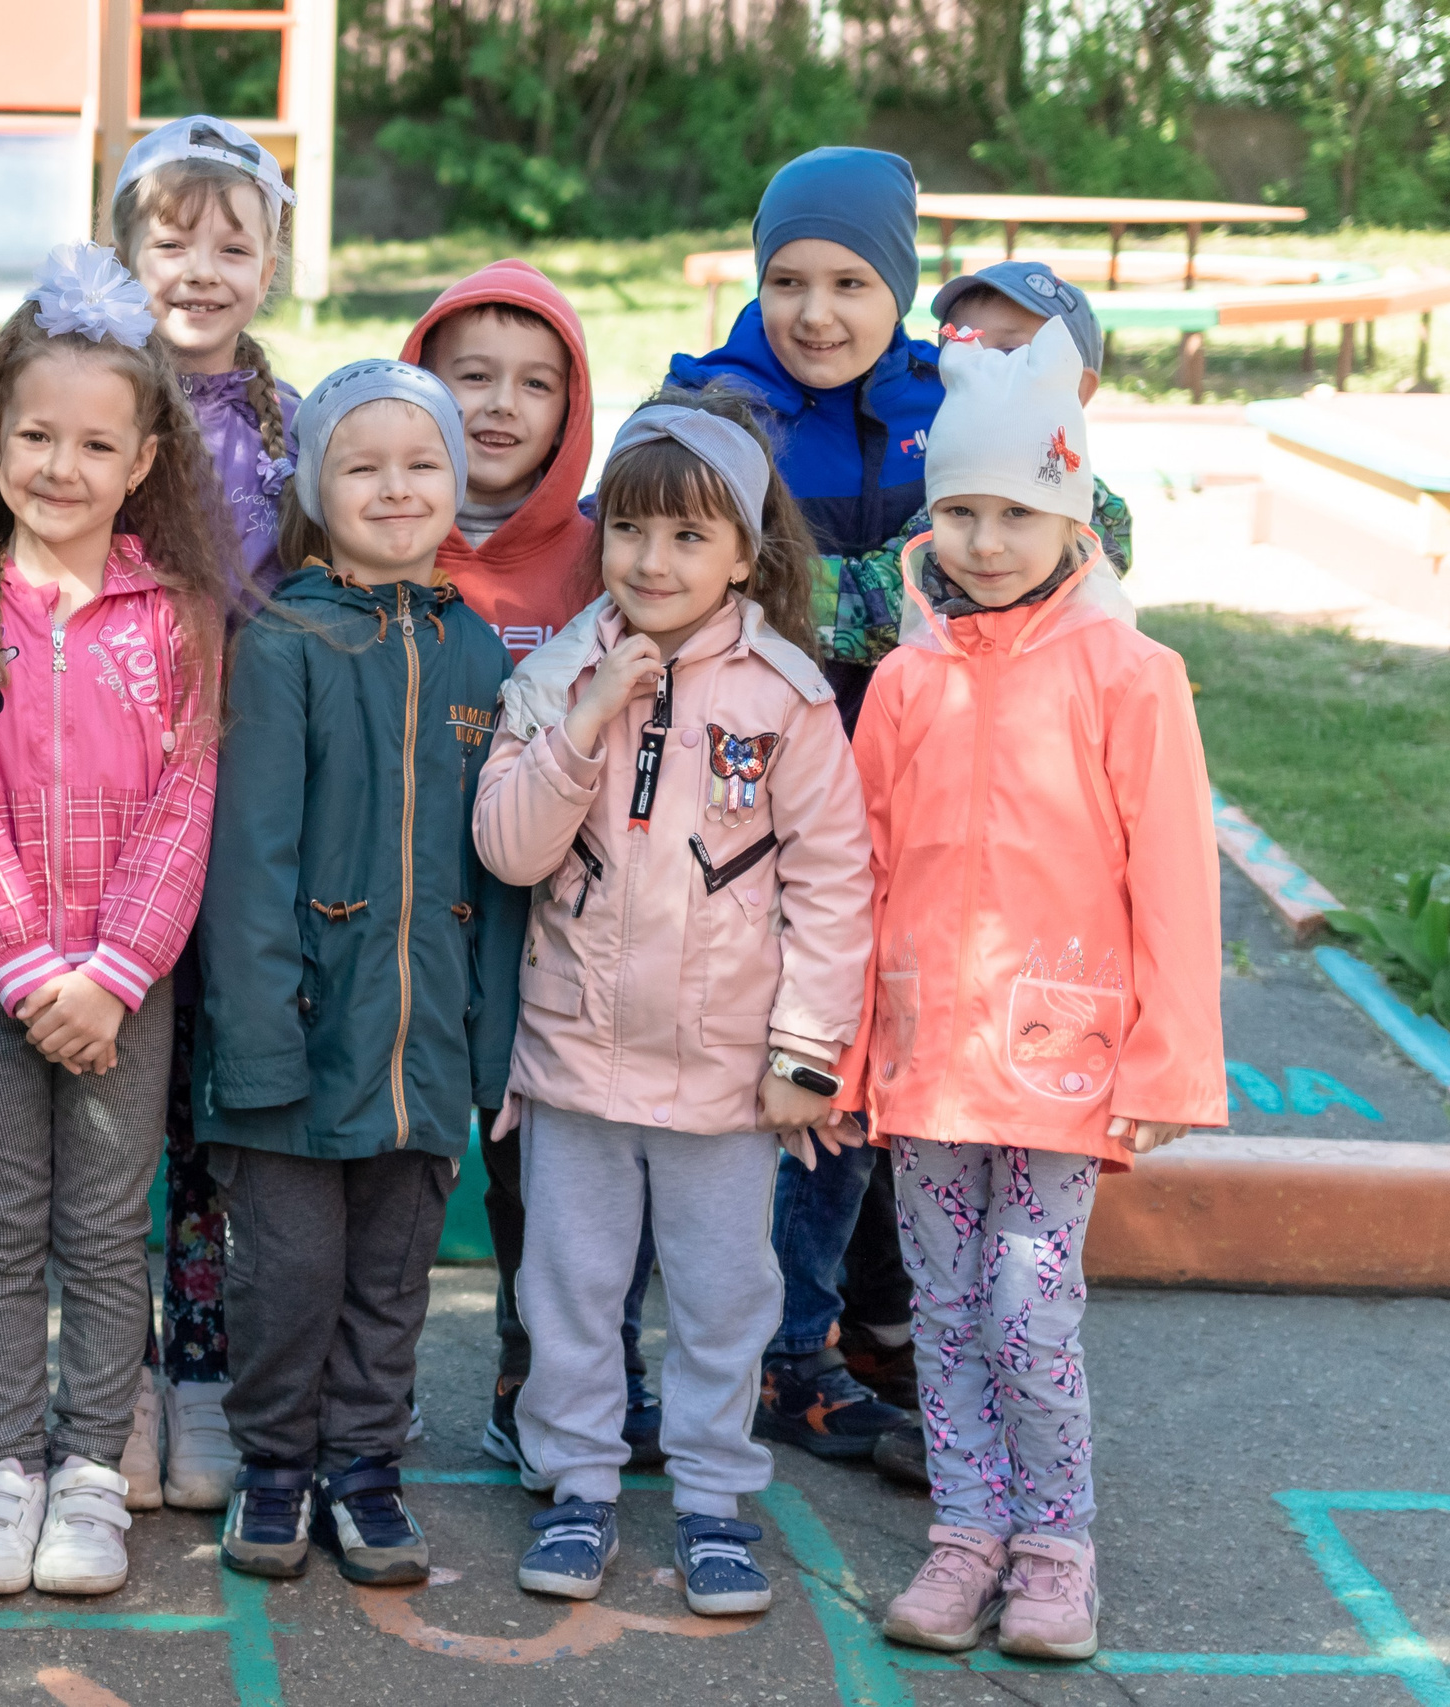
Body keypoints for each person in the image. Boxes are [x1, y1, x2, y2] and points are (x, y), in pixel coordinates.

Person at [839, 318, 1224, 1661]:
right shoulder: (901, 680)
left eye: (1018, 508)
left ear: (1075, 515)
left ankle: (1056, 1546)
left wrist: (1172, 1062)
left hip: (1062, 1055)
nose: (986, 538)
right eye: (959, 508)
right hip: (928, 1051)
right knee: (941, 1308)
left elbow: (1175, 873)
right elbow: (867, 871)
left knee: (1025, 1302)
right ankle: (966, 1535)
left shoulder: (1135, 677)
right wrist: (843, 1052)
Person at [473, 388, 873, 1613]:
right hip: (576, 1059)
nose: (653, 560)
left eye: (690, 536)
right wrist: (585, 723)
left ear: (745, 553)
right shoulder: (557, 674)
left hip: (723, 1072)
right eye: (633, 530)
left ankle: (710, 1499)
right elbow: (505, 848)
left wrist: (803, 1054)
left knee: (722, 1297)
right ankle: (579, 1485)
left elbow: (833, 881)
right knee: (570, 1290)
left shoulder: (788, 697)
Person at [0, 242, 226, 1599]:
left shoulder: (181, 620)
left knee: (102, 1228)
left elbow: (181, 805)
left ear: (143, 458)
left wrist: (113, 970)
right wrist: (31, 965)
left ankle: (92, 1464)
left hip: (122, 985)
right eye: (35, 434)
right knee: (2, 1224)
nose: (60, 466)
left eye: (96, 442)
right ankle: (5, 1464)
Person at [199, 360, 525, 1588]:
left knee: (392, 1276)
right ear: (316, 489)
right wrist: (259, 1042)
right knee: (286, 1274)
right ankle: (276, 1465)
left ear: (457, 483)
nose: (396, 489)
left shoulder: (484, 657)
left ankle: (367, 1469)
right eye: (363, 465)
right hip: (292, 1045)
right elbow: (249, 861)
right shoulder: (282, 644)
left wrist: (488, 1049)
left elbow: (500, 882)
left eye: (422, 464)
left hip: (427, 1046)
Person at [651, 146, 932, 1464]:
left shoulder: (958, 396)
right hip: (755, 795)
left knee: (887, 1063)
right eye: (786, 278)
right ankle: (783, 1348)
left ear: (902, 288)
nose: (815, 310)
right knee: (803, 1067)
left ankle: (872, 1320)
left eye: (850, 280)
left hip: (920, 793)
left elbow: (1079, 526)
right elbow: (682, 574)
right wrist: (905, 585)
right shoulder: (712, 407)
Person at [398, 261, 643, 1469]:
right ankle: (351, 1382)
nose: (499, 406)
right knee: (386, 1150)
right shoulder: (375, 529)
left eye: (535, 383)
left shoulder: (604, 557)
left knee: (536, 1168)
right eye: (469, 376)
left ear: (573, 405)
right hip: (396, 901)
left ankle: (540, 1370)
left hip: (555, 914)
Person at [106, 114, 301, 1510]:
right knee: (116, 1103)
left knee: (210, 1106)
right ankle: (111, 1375)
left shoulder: (295, 428)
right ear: (125, 254)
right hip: (108, 794)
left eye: (234, 243)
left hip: (243, 802)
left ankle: (203, 1374)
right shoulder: (89, 401)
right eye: (172, 239)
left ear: (273, 265)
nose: (202, 266)